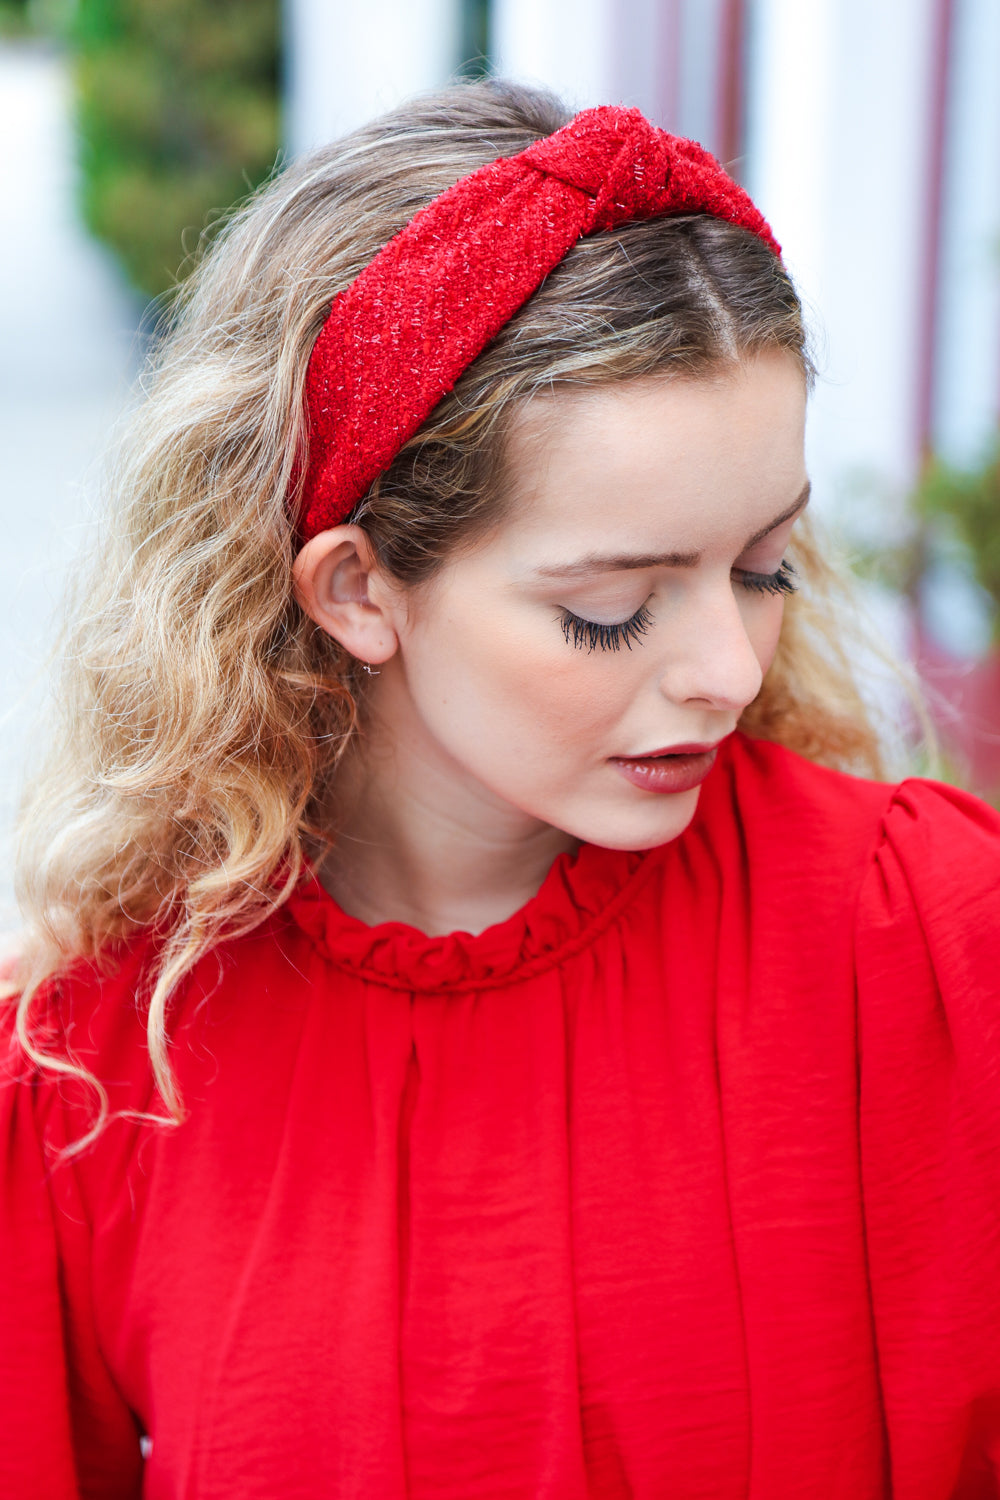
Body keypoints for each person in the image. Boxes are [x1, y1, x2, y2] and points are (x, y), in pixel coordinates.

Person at [2, 78, 998, 1500]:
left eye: (764, 566)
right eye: (611, 606)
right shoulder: (96, 1073)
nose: (725, 665)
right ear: (359, 587)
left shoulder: (937, 955)